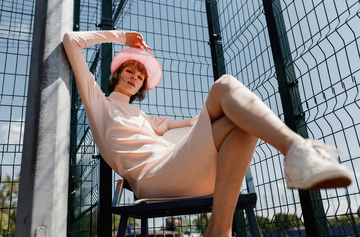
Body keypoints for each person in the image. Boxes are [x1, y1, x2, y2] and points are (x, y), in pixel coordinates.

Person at [63, 30, 352, 237]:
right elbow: (71, 42)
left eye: (140, 76)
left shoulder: (146, 118)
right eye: (130, 70)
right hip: (150, 180)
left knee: (239, 117)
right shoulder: (98, 104)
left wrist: (227, 111)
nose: (135, 77)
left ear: (141, 88)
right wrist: (122, 37)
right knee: (224, 85)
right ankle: (298, 153)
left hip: (179, 164)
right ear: (117, 73)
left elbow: (191, 124)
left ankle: (221, 228)